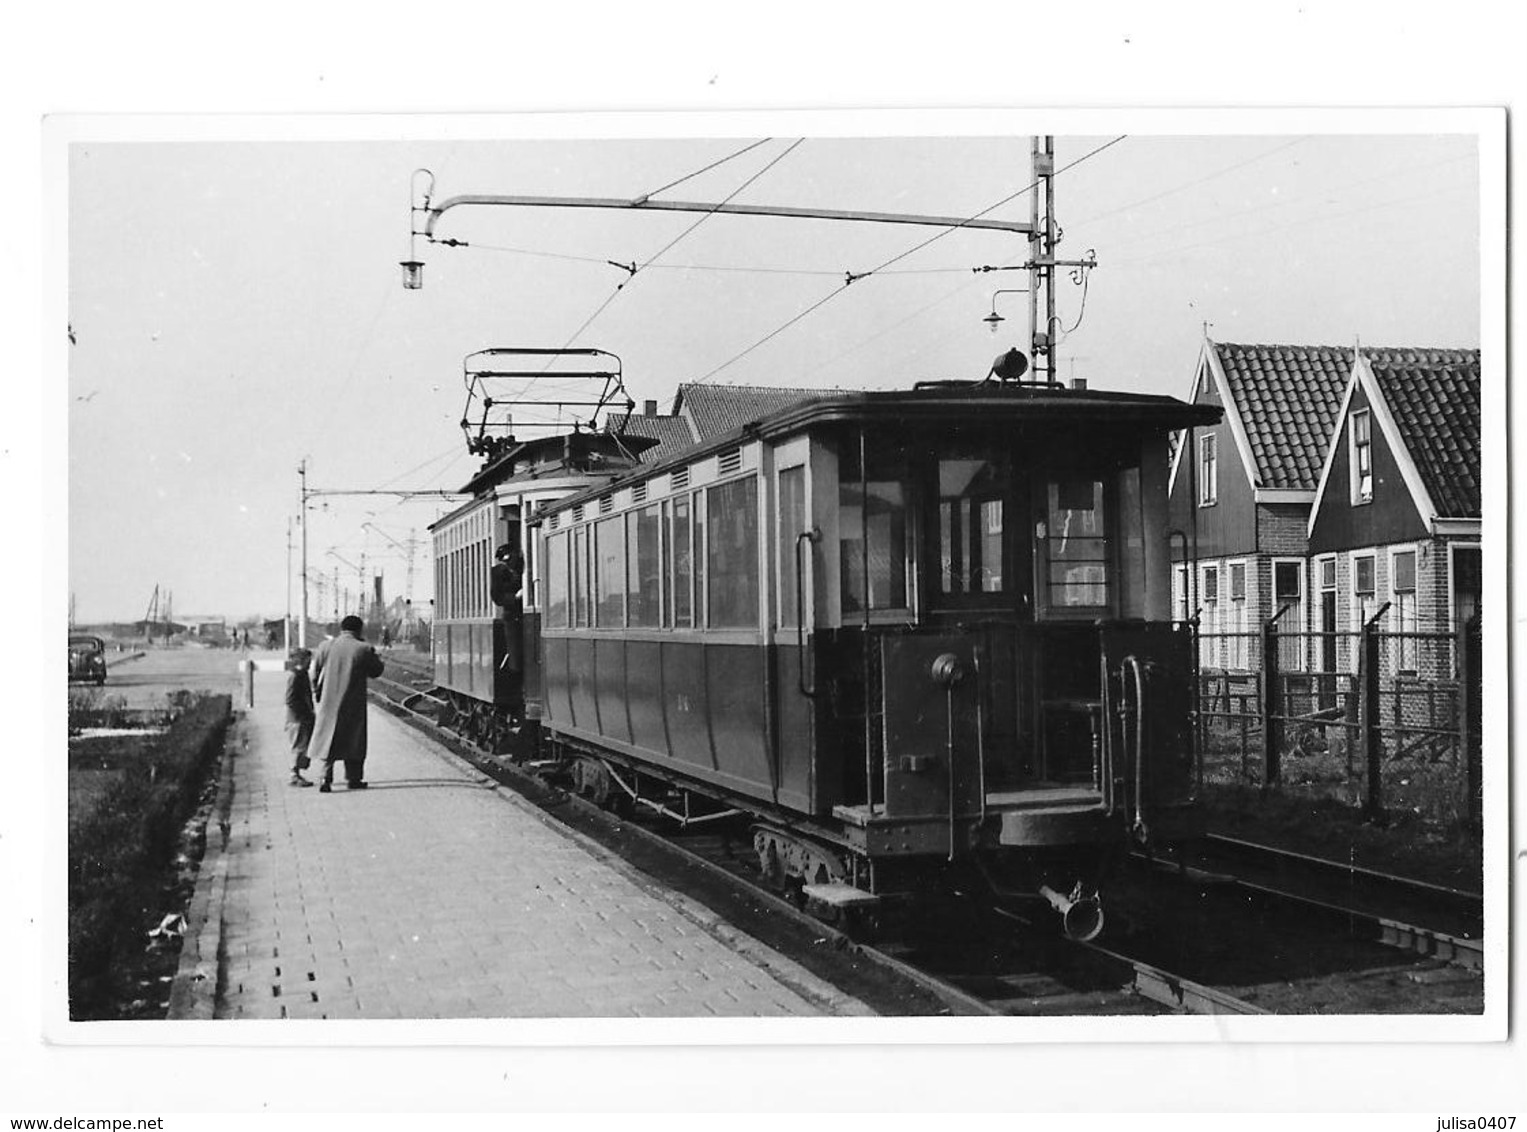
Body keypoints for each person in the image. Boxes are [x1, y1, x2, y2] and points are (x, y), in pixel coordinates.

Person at [308, 614, 384, 792]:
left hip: (329, 701)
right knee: (355, 739)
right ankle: (354, 779)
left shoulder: (326, 646)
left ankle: (324, 779)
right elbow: (376, 671)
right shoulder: (363, 648)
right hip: (353, 702)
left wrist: (316, 691)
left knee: (329, 740)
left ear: (341, 629)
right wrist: (378, 658)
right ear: (359, 630)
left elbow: (314, 671)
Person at [284, 647, 315, 787]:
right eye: (308, 660)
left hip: (302, 717)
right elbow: (290, 699)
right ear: (301, 660)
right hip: (297, 719)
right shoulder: (296, 676)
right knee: (298, 746)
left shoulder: (302, 674)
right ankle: (294, 775)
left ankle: (296, 773)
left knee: (302, 745)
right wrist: (303, 713)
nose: (310, 663)